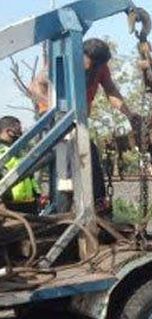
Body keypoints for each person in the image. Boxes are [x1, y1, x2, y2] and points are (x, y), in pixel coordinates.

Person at [30, 38, 141, 210]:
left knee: (89, 155)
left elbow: (111, 90)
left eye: (98, 65)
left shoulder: (101, 67)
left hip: (77, 120)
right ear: (80, 53)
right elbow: (36, 86)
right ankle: (61, 207)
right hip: (53, 119)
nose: (94, 69)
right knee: (64, 162)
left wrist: (129, 113)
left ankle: (97, 204)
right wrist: (54, 108)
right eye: (92, 64)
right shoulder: (64, 60)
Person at [0, 116, 41, 214]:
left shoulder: (20, 148)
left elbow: (30, 176)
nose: (20, 133)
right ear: (7, 130)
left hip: (29, 204)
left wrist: (37, 195)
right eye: (17, 130)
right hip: (8, 205)